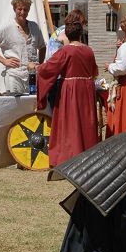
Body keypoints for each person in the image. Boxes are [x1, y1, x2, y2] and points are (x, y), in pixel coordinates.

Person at [35, 14, 99, 167]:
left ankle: (69, 156)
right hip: (87, 90)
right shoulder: (89, 50)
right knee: (85, 122)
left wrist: (36, 67)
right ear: (80, 33)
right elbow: (94, 72)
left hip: (70, 90)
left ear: (67, 35)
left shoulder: (66, 51)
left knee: (70, 122)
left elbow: (48, 69)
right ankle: (87, 155)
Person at [0, 0, 40, 94]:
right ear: (14, 9)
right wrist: (3, 61)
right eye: (19, 9)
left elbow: (42, 46)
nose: (22, 12)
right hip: (14, 75)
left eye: (25, 9)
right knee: (15, 102)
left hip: (33, 75)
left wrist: (38, 64)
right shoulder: (7, 28)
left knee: (33, 102)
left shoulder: (34, 27)